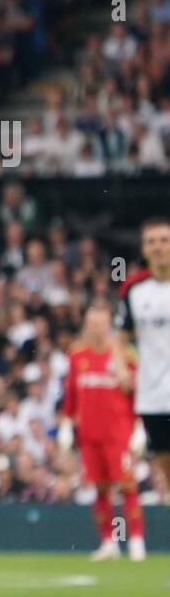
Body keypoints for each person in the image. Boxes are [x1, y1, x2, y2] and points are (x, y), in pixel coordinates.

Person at [58, 301, 143, 561]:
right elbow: (71, 395)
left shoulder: (123, 355)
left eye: (101, 323)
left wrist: (139, 426)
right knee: (100, 488)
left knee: (127, 485)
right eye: (92, 323)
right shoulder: (77, 356)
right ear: (87, 324)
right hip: (90, 435)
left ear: (109, 324)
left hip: (118, 434)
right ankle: (109, 542)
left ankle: (136, 540)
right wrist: (66, 424)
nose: (96, 328)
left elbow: (136, 394)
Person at [117, 216, 170, 534]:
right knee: (164, 465)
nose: (159, 247)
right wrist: (121, 366)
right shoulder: (134, 289)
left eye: (164, 240)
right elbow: (120, 338)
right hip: (152, 396)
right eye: (152, 241)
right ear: (144, 249)